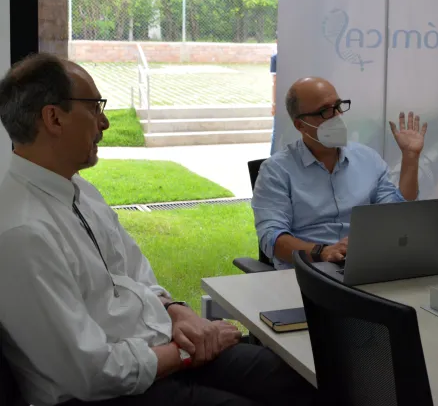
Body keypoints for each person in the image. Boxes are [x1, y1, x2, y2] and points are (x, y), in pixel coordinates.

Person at [0, 54, 316, 406]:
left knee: (297, 378)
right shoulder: (22, 233)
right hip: (110, 392)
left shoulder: (81, 192)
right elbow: (91, 373)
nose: (104, 122)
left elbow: (135, 274)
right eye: (93, 108)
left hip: (157, 348)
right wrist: (186, 352)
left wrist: (176, 310)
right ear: (54, 118)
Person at [252, 77, 426, 269]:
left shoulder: (368, 159)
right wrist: (322, 252)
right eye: (325, 111)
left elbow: (395, 215)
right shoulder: (276, 170)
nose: (336, 116)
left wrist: (410, 158)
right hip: (309, 270)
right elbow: (272, 238)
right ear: (300, 125)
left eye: (338, 106)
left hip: (365, 265)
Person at [270, 50, 279, 155]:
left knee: (276, 131)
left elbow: (275, 81)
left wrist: (274, 104)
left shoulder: (276, 57)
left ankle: (273, 156)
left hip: (281, 99)